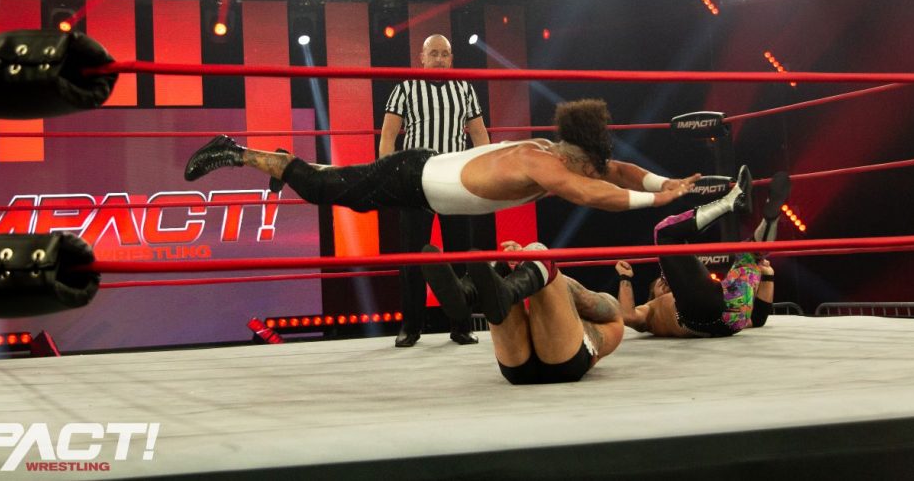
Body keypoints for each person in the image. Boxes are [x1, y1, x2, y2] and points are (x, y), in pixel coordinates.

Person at [185, 98, 699, 217]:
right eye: (593, 166)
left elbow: (617, 172)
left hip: (424, 173)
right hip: (411, 177)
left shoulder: (562, 152)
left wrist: (664, 183)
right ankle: (236, 151)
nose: (598, 171)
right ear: (579, 158)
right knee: (323, 189)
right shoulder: (542, 163)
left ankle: (281, 161)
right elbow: (591, 193)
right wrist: (656, 203)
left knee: (336, 181)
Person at [379, 33, 490, 348]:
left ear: (451, 59)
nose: (439, 59)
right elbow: (388, 137)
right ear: (422, 57)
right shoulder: (405, 88)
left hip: (454, 180)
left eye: (445, 54)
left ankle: (461, 325)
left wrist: (483, 174)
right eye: (434, 53)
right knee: (412, 256)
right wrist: (391, 177)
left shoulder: (464, 89)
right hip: (417, 180)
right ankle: (411, 326)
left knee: (459, 255)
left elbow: (480, 135)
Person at [616, 170, 789, 338]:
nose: (665, 281)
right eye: (660, 282)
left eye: (665, 279)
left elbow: (757, 319)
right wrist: (625, 278)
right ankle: (730, 202)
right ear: (651, 294)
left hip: (733, 318)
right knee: (663, 233)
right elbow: (628, 316)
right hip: (699, 315)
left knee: (749, 253)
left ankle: (770, 221)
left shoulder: (691, 290)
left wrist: (768, 276)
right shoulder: (649, 310)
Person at [422, 241, 625, 384]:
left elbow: (582, 298)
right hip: (532, 365)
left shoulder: (612, 315)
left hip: (557, 363)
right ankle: (465, 294)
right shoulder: (551, 317)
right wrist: (516, 264)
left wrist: (524, 262)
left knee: (537, 251)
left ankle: (470, 294)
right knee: (503, 270)